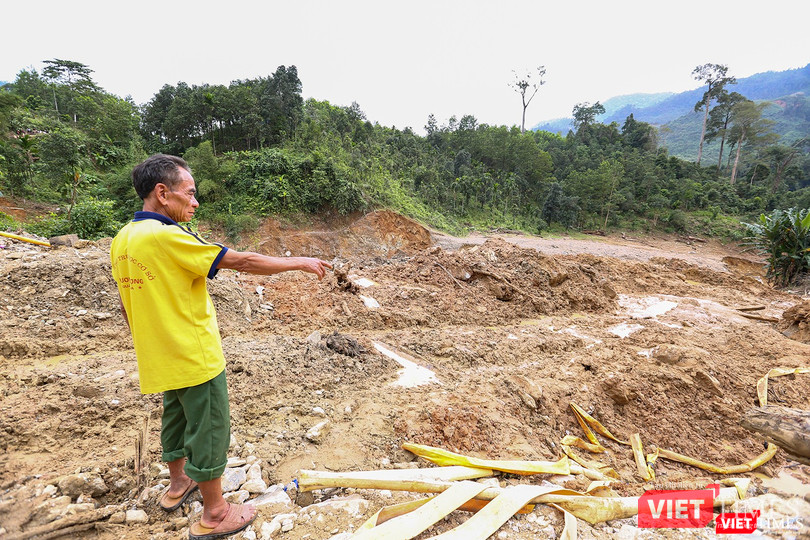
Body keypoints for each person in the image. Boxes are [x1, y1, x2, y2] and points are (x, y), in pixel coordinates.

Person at [111, 154, 331, 539]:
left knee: (176, 419)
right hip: (194, 353)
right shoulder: (168, 236)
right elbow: (241, 262)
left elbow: (125, 301)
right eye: (190, 193)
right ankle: (215, 512)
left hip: (159, 354)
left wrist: (147, 341)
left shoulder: (123, 239)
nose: (195, 203)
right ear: (162, 193)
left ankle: (178, 484)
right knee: (208, 426)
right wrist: (299, 261)